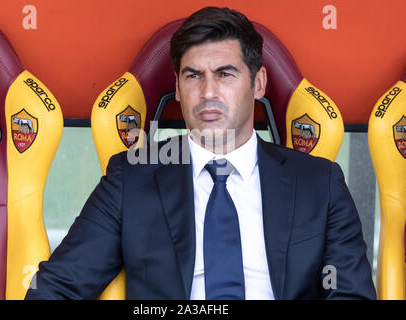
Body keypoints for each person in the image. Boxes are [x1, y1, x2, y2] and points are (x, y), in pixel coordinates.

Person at [25, 7, 376, 300]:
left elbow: (351, 293)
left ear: (258, 83)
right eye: (193, 76)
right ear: (177, 88)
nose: (208, 92)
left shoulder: (319, 182)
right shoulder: (132, 177)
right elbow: (58, 287)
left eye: (225, 74)